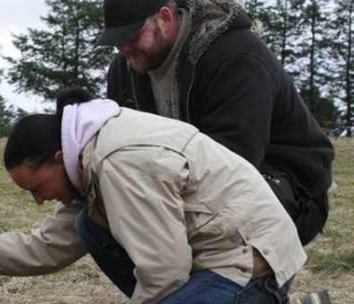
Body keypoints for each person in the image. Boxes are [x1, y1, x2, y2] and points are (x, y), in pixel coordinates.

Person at [0, 88, 346, 304]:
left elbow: (164, 267)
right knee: (89, 226)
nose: (38, 200)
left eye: (36, 188)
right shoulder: (90, 156)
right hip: (231, 252)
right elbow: (49, 246)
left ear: (58, 158)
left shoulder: (116, 162)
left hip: (250, 263)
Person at [98, 0, 334, 246]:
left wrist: (155, 196)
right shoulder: (125, 69)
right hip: (191, 182)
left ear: (165, 18)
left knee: (207, 217)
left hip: (286, 187)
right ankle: (171, 284)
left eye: (131, 36)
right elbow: (121, 149)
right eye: (115, 41)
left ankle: (255, 283)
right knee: (98, 222)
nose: (123, 48)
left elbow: (234, 162)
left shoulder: (235, 56)